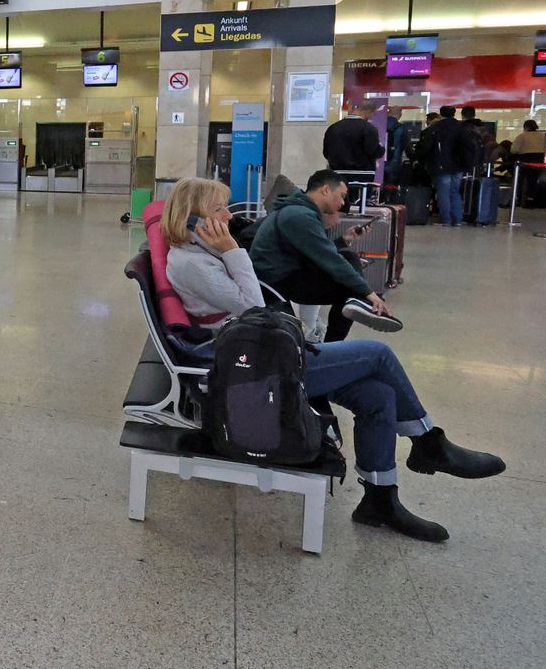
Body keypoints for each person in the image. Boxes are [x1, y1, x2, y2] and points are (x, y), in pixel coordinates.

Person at [162, 178, 505, 542]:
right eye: (219, 209)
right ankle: (428, 442)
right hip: (252, 369)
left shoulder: (202, 252)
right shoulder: (192, 263)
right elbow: (253, 304)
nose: (229, 216)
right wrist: (233, 250)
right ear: (192, 218)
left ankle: (379, 499)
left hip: (262, 351)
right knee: (378, 353)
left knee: (378, 396)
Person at [250, 170, 398, 342]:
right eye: (341, 195)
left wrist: (343, 241)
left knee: (348, 265)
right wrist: (369, 293)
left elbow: (317, 252)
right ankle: (336, 342)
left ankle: (355, 307)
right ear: (326, 190)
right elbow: (330, 259)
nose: (342, 202)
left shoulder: (297, 211)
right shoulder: (299, 215)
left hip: (283, 274)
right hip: (276, 282)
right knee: (347, 283)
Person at [414, 105, 475, 226]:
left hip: (440, 165)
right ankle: (457, 219)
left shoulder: (435, 128)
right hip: (458, 166)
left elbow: (426, 147)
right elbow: (469, 147)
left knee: (443, 192)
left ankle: (446, 219)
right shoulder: (462, 128)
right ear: (454, 114)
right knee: (455, 191)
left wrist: (417, 158)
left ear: (441, 114)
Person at [322, 102, 384, 172]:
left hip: (337, 173)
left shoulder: (333, 128)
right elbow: (374, 151)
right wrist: (381, 149)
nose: (372, 116)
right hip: (363, 173)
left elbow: (326, 153)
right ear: (368, 111)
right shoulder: (369, 128)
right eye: (373, 113)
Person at [511, 119, 545, 208]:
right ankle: (531, 200)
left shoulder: (522, 136)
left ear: (525, 127)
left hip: (524, 161)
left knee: (519, 181)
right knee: (533, 181)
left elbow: (514, 150)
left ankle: (518, 199)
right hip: (538, 161)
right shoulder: (543, 136)